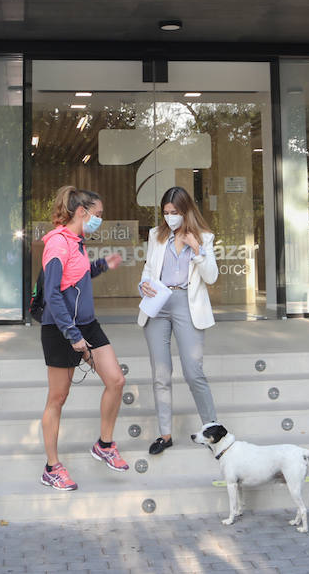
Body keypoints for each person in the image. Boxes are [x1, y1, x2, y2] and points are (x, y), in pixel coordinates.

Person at [38, 185, 127, 490]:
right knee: (58, 398)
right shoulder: (57, 245)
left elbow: (75, 276)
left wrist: (102, 265)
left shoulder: (77, 242)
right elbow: (52, 293)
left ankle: (104, 444)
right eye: (97, 215)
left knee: (116, 380)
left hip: (86, 324)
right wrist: (72, 335)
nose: (99, 220)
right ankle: (52, 467)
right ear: (81, 212)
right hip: (61, 329)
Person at [136, 185, 219, 455]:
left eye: (174, 212)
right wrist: (143, 286)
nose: (170, 217)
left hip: (187, 304)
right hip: (158, 304)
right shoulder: (156, 235)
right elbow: (148, 271)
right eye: (166, 212)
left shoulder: (204, 237)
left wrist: (198, 251)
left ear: (186, 211)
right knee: (161, 373)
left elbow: (211, 277)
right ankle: (165, 435)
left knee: (193, 371)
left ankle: (212, 430)